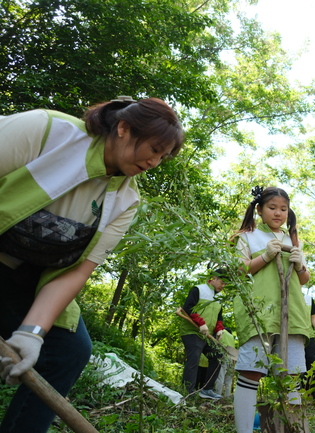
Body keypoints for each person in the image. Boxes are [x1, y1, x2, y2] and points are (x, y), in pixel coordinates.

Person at [0, 96, 184, 432]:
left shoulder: (126, 200)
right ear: (124, 128)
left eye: (164, 156)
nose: (156, 161)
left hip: (28, 278)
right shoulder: (47, 130)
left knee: (69, 350)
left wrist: (32, 333)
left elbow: (77, 271)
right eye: (154, 149)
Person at [231, 186, 311, 433]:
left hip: (293, 314)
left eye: (283, 209)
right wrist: (264, 257)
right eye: (272, 208)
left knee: (291, 376)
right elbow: (238, 271)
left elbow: (304, 279)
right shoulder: (247, 237)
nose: (278, 213)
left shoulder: (293, 239)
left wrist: (299, 265)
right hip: (259, 313)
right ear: (259, 209)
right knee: (250, 372)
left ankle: (293, 428)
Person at [179, 269, 226, 400]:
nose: (223, 286)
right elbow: (187, 307)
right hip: (192, 331)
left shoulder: (220, 298)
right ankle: (188, 392)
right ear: (214, 278)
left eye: (225, 285)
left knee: (217, 356)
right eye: (222, 282)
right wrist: (200, 323)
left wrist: (219, 329)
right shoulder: (199, 290)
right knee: (194, 357)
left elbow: (219, 317)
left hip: (206, 335)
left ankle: (207, 389)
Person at [214, 327, 238, 399]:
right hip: (232, 358)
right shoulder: (231, 337)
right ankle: (227, 396)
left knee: (220, 377)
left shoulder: (222, 332)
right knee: (228, 380)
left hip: (224, 356)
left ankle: (217, 396)